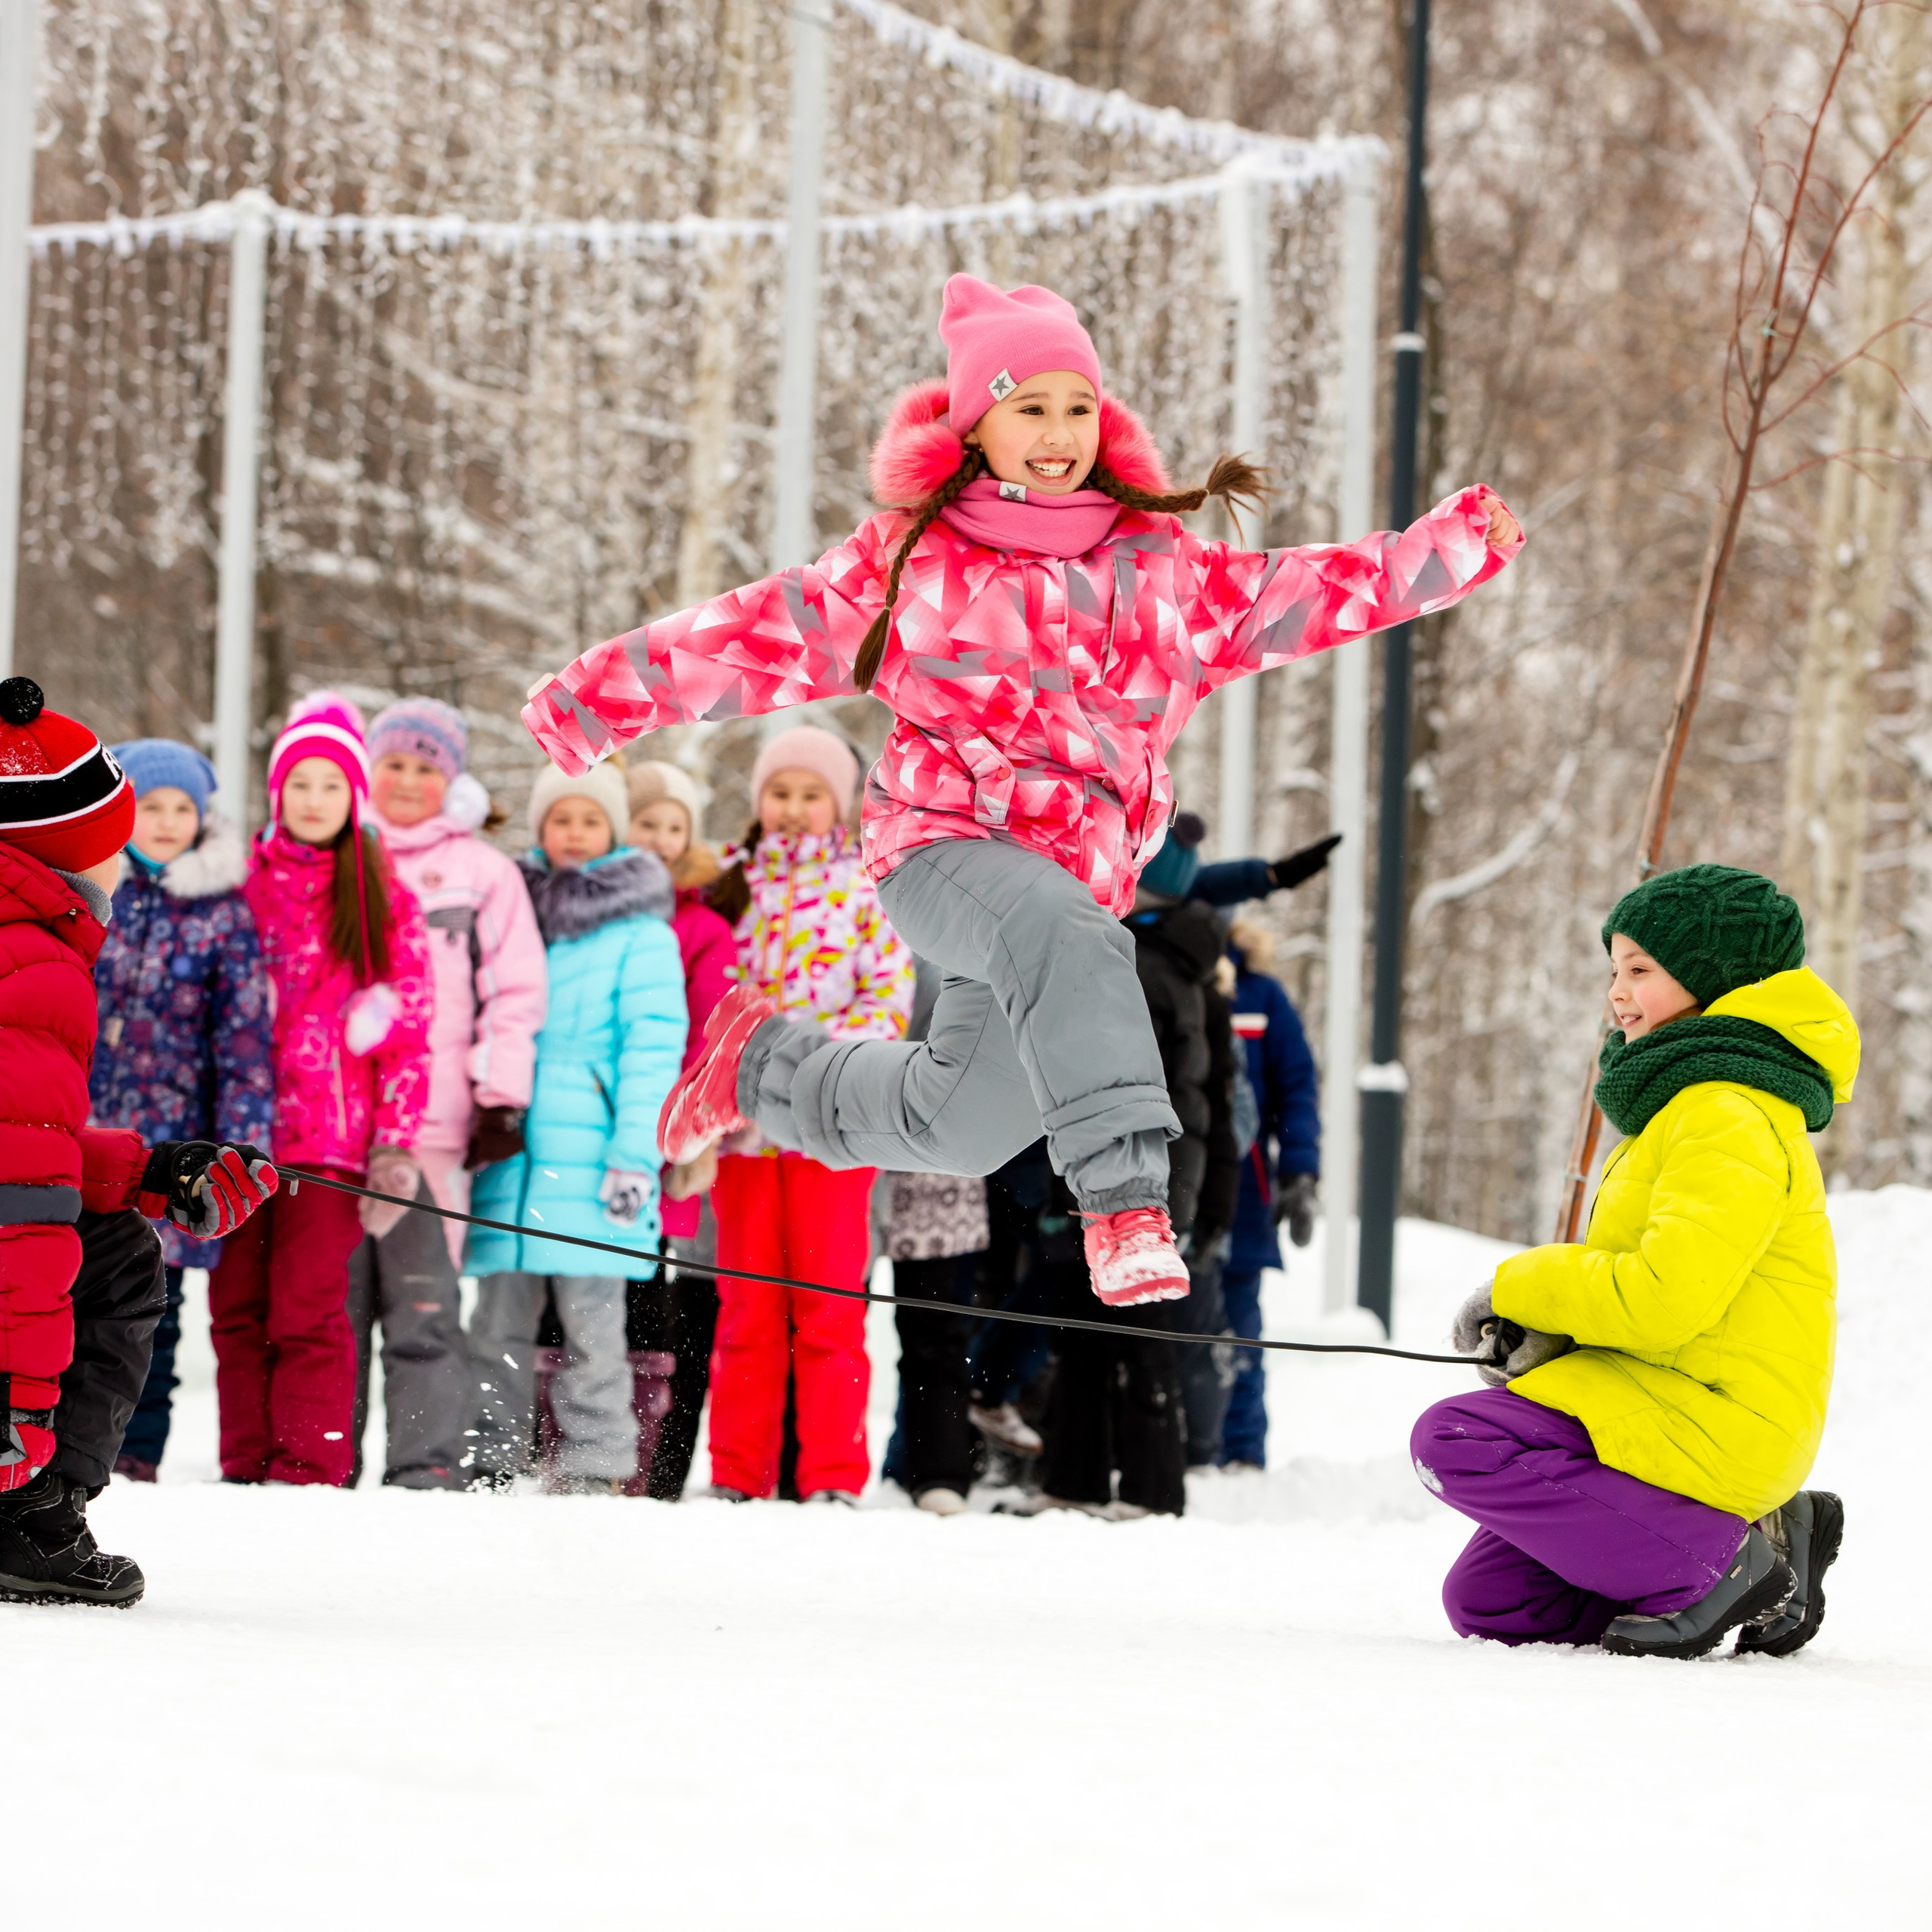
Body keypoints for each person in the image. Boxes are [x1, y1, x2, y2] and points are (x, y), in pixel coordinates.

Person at [523, 275, 1521, 1312]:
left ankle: (756, 1063)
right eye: (1029, 407)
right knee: (1064, 930)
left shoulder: (1162, 574)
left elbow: (1315, 594)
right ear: (975, 426)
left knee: (964, 1121)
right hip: (941, 852)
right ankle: (1126, 1202)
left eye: (1077, 408)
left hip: (1059, 904)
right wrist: (594, 703)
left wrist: (1452, 545)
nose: (1057, 432)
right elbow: (748, 636)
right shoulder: (912, 564)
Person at [1417, 865, 1856, 1659]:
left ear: (1714, 978)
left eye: (1640, 970)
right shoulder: (1683, 1109)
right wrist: (1556, 1340)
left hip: (1720, 1415)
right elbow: (1660, 1300)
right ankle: (1763, 1541)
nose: (1616, 993)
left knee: (1458, 1439)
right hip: (1666, 1397)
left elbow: (1665, 1296)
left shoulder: (1727, 1113)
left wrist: (1522, 1287)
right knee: (1493, 1600)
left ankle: (1719, 1565)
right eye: (1612, 969)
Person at [0, 678, 275, 1604]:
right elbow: (19, 1208)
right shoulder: (31, 954)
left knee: (114, 1230)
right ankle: (23, 1515)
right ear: (67, 855)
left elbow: (23, 1148)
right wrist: (17, 1413)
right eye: (116, 842)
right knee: (112, 1257)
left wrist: (147, 1170)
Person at [209, 695, 432, 1487]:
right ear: (277, 795)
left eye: (329, 785)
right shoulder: (240, 889)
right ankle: (244, 1463)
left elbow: (407, 1034)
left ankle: (307, 1469)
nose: (312, 800)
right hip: (236, 1139)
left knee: (307, 1310)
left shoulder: (382, 899)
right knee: (236, 1307)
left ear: (353, 799)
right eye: (298, 784)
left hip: (331, 1146)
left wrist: (395, 1143)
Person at [698, 728, 913, 1503]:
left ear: (840, 804)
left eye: (809, 794)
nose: (792, 809)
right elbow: (706, 989)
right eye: (778, 793)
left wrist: (814, 1073)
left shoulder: (868, 887)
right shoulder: (726, 882)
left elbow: (887, 1000)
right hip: (744, 1134)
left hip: (830, 1129)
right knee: (747, 1308)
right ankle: (737, 1474)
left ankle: (831, 1477)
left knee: (828, 1311)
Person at [466, 762, 685, 1493]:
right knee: (498, 1312)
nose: (574, 833)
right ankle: (488, 1453)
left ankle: (595, 1460)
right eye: (561, 818)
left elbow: (651, 1046)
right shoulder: (509, 905)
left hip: (594, 1156)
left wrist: (634, 1156)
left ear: (615, 831)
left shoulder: (640, 930)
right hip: (515, 1146)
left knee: (593, 1319)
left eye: (591, 819)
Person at [352, 697, 546, 1489]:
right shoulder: (340, 849)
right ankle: (316, 1465)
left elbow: (514, 990)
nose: (405, 780)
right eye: (393, 762)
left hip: (433, 1124)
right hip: (330, 1125)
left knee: (423, 1305)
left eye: (424, 767)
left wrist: (501, 1096)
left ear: (452, 779)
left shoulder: (482, 872)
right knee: (329, 1312)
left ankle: (426, 1467)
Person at [1026, 814, 1238, 1518]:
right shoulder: (1197, 972)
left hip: (1122, 1178)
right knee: (1130, 1337)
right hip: (1168, 1179)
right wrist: (1213, 1205)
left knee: (1103, 1337)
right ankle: (1122, 1484)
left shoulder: (1126, 964)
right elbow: (1219, 1103)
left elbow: (1091, 1081)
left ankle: (1108, 1483)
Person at [88, 739, 275, 1481]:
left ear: (203, 818)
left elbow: (244, 1041)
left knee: (151, 1318)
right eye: (150, 806)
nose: (165, 822)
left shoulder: (222, 914)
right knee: (68, 1297)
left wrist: (241, 1145)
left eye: (181, 809)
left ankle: (135, 1455)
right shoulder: (95, 891)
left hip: (175, 1153)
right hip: (86, 1134)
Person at [623, 759, 735, 1497]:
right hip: (590, 1130)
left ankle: (657, 1466)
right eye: (646, 822)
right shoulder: (590, 909)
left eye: (675, 827)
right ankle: (579, 1448)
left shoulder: (700, 925)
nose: (661, 840)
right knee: (586, 1293)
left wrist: (693, 1132)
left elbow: (711, 1031)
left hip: (667, 1134)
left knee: (664, 1297)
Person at [1213, 915, 1321, 1471]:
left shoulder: (1260, 994)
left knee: (1238, 1325)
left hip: (1244, 1194)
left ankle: (1240, 1452)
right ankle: (1180, 1448)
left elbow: (1296, 1084)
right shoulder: (1142, 964)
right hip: (1169, 1187)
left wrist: (1299, 1174)